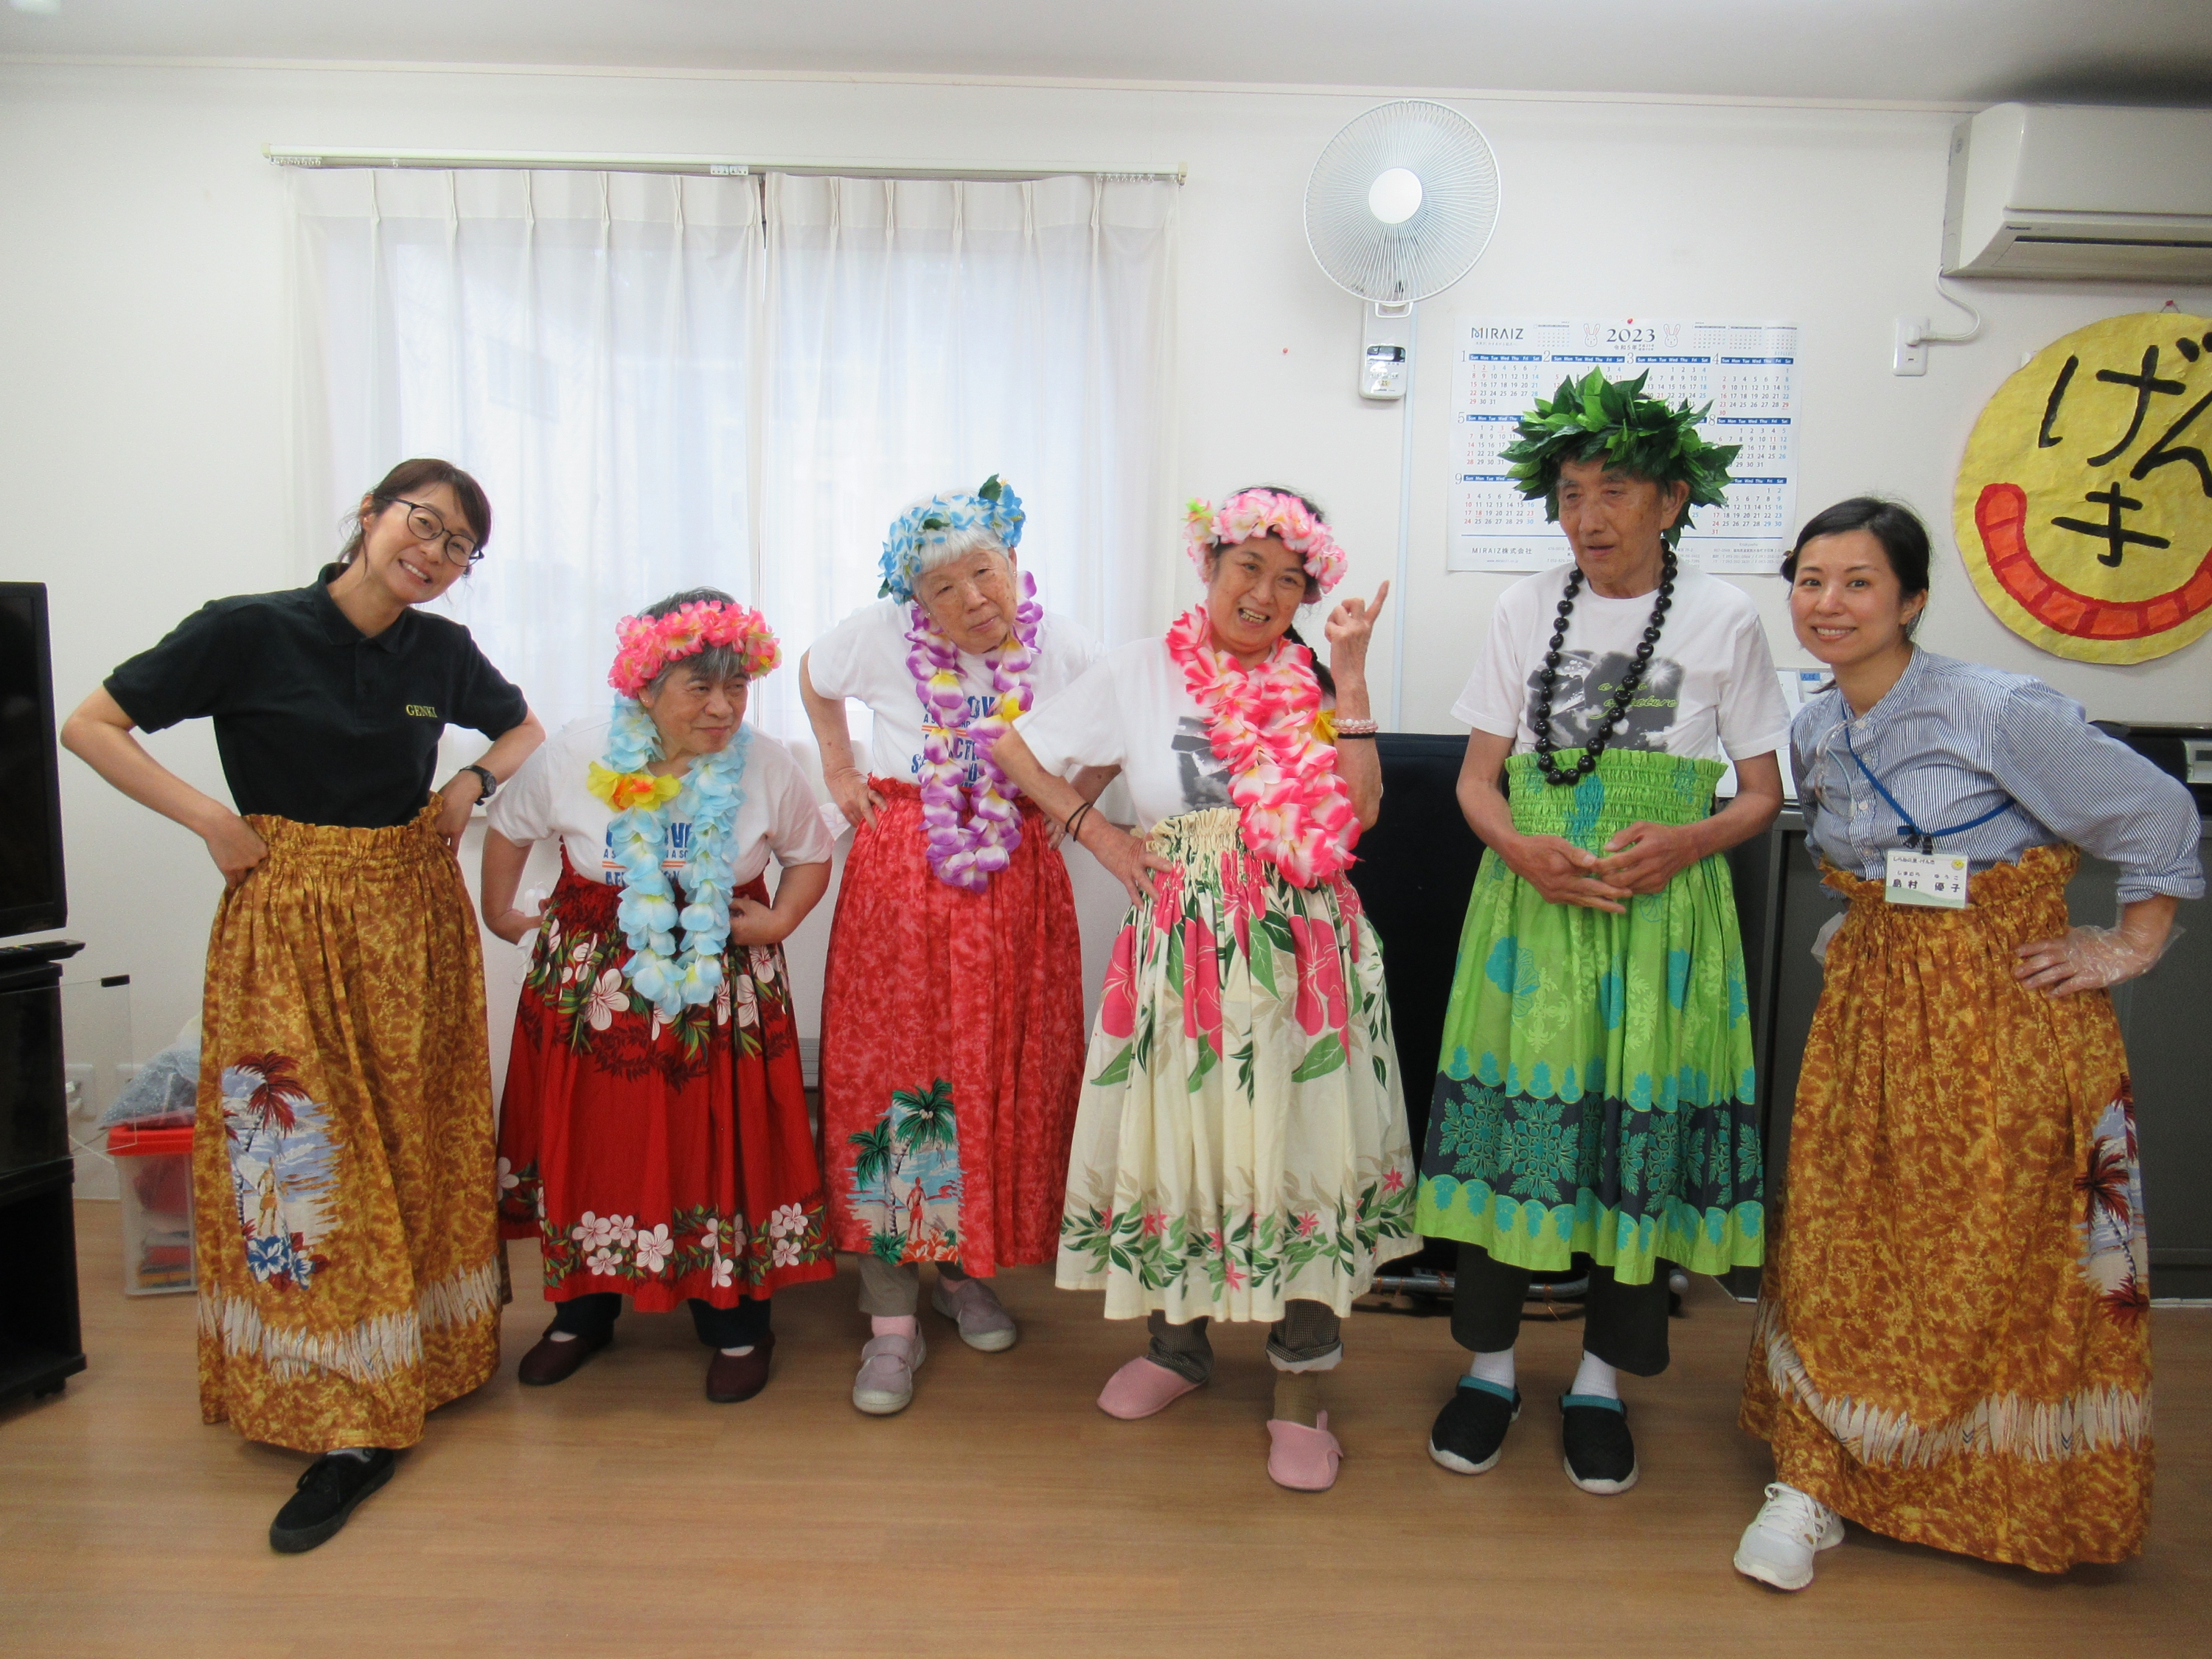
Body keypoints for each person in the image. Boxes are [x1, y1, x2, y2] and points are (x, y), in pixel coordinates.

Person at [61, 459, 544, 1553]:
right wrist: (208, 819)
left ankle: (419, 1353)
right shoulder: (247, 629)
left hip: (413, 919)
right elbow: (91, 724)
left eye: (461, 545)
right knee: (305, 1154)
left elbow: (520, 733)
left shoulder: (442, 653)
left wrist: (469, 784)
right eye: (423, 523)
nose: (434, 551)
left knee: (414, 1142)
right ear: (370, 516)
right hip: (289, 921)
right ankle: (339, 1409)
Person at [1735, 498, 2202, 1588]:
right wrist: (1865, 927)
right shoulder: (1813, 729)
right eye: (1810, 579)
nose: (1830, 602)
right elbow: (1873, 864)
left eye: (1858, 581)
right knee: (1849, 1235)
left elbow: (2159, 813)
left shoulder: (1997, 707)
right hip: (1873, 1017)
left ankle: (1993, 1479)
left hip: (2005, 1016)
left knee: (1991, 1241)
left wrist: (2125, 948)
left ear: (1913, 598)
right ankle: (1816, 1477)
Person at [1412, 370, 1789, 1495]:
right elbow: (1481, 782)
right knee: (1512, 1138)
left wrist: (1690, 838)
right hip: (1531, 906)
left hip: (1661, 917)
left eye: (1614, 489)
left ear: (1671, 499)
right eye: (1571, 492)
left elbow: (1762, 791)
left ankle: (1598, 1386)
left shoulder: (1726, 616)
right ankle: (1487, 1368)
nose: (1589, 515)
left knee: (1634, 1138)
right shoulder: (1525, 608)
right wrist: (1520, 846)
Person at [998, 487, 1413, 1492]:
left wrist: (1349, 679)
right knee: (1175, 1131)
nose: (1265, 594)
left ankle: (1299, 1383)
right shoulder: (1141, 668)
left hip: (1300, 945)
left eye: (1290, 581)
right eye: (1248, 568)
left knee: (1298, 1141)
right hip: (1179, 938)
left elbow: (1357, 814)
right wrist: (1100, 835)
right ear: (1211, 564)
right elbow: (1016, 747)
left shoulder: (1313, 676)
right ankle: (1176, 1344)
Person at [480, 591, 837, 1403]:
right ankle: (581, 1314)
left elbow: (810, 853)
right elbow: (509, 827)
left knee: (723, 1143)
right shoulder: (576, 751)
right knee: (592, 1140)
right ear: (644, 688)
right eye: (697, 689)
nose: (721, 709)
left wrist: (779, 917)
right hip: (596, 978)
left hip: (723, 976)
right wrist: (500, 916)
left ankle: (737, 1324)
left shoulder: (768, 760)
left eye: (735, 688)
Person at [799, 477, 1103, 1415]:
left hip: (1011, 877)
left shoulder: (1060, 645)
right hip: (905, 874)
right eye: (943, 588)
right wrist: (842, 768)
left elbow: (1113, 721)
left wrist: (1069, 800)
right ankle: (891, 1315)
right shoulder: (881, 636)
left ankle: (969, 1271)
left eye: (986, 573)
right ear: (913, 601)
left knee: (992, 1076)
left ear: (1015, 566)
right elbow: (814, 674)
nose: (973, 600)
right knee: (904, 1081)